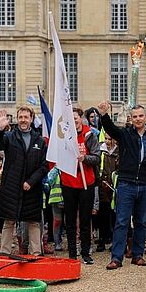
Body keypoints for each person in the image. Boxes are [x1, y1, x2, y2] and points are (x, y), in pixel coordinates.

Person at [98, 101, 146, 269]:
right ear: (131, 118)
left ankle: (138, 254)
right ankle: (117, 257)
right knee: (121, 221)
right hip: (126, 183)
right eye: (135, 116)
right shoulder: (125, 134)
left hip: (145, 184)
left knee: (141, 222)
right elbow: (110, 129)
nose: (138, 119)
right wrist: (104, 114)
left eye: (141, 116)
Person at [0, 106, 49, 255]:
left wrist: (31, 181)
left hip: (32, 188)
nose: (23, 120)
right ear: (17, 119)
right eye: (21, 117)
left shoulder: (40, 141)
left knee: (33, 222)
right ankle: (4, 254)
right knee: (8, 221)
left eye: (26, 117)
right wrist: (0, 128)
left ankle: (36, 254)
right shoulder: (10, 137)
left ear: (31, 119)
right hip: (11, 187)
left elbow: (44, 166)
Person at [57, 108, 100, 265]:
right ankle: (72, 253)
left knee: (84, 219)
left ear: (81, 119)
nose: (73, 120)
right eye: (70, 118)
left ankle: (85, 252)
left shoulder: (90, 136)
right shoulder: (63, 137)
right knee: (69, 220)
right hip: (68, 182)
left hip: (86, 182)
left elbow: (96, 157)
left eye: (75, 118)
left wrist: (84, 158)